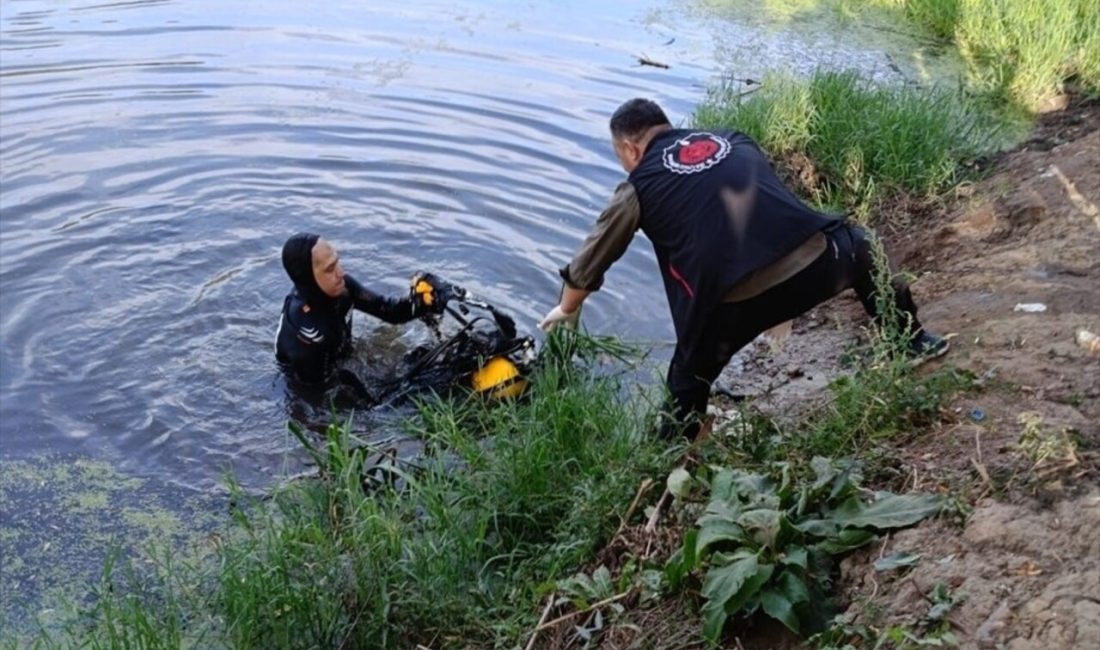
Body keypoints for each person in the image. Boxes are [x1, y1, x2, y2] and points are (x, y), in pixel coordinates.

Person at [538, 98, 948, 439]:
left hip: (731, 308)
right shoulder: (731, 138)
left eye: (622, 159)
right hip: (817, 266)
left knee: (685, 381)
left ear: (630, 149)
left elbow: (593, 258)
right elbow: (768, 203)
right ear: (667, 127)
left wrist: (568, 308)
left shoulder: (638, 184)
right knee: (865, 246)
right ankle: (910, 342)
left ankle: (671, 457)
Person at [275, 232, 444, 387]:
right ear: (308, 279)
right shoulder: (308, 335)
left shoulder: (341, 287)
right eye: (329, 269)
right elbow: (315, 396)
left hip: (339, 355)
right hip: (308, 379)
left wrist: (423, 302)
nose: (341, 273)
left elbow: (388, 310)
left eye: (337, 262)